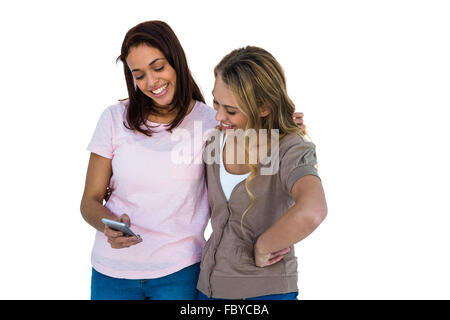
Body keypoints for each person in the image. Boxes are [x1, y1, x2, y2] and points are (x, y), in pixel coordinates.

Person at [80, 20, 306, 300]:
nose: (151, 82)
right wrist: (108, 225)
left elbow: (259, 143)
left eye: (158, 67)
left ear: (176, 61)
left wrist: (283, 127)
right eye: (138, 75)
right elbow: (89, 201)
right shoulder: (114, 119)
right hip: (111, 272)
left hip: (181, 272)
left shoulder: (212, 121)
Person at [196, 46, 327, 300]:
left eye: (231, 110)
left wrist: (264, 246)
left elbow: (313, 210)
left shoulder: (291, 148)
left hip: (264, 294)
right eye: (215, 102)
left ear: (263, 107)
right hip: (207, 288)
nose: (219, 116)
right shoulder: (214, 140)